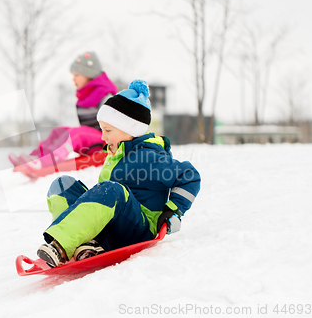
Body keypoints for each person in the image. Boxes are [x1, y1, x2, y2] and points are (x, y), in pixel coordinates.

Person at [35, 79, 201, 267]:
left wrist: (174, 210)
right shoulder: (117, 155)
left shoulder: (148, 157)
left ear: (128, 129)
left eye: (108, 130)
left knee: (111, 190)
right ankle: (85, 244)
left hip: (137, 229)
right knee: (63, 186)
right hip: (112, 226)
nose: (103, 137)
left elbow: (189, 175)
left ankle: (62, 247)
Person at [9, 51, 118, 169]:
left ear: (89, 75)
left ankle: (48, 161)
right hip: (90, 140)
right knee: (58, 131)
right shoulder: (84, 97)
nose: (73, 79)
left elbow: (115, 127)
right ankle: (36, 158)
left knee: (77, 133)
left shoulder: (105, 97)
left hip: (104, 143)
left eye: (77, 75)